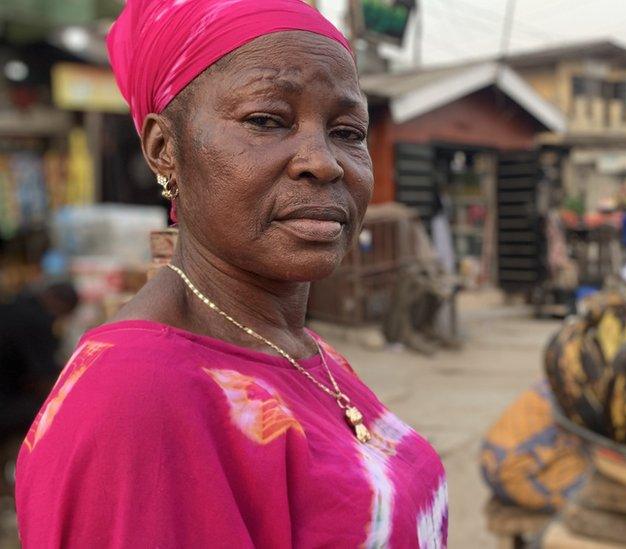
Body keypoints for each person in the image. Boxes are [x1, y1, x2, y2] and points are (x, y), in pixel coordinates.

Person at [15, 2, 448, 547]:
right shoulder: (139, 401)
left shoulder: (302, 347)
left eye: (347, 130)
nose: (324, 161)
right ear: (163, 149)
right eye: (266, 121)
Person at [0, 282, 78, 440]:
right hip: (7, 406)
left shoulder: (15, 304)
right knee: (61, 415)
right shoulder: (37, 320)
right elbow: (43, 379)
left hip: (8, 394)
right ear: (60, 304)